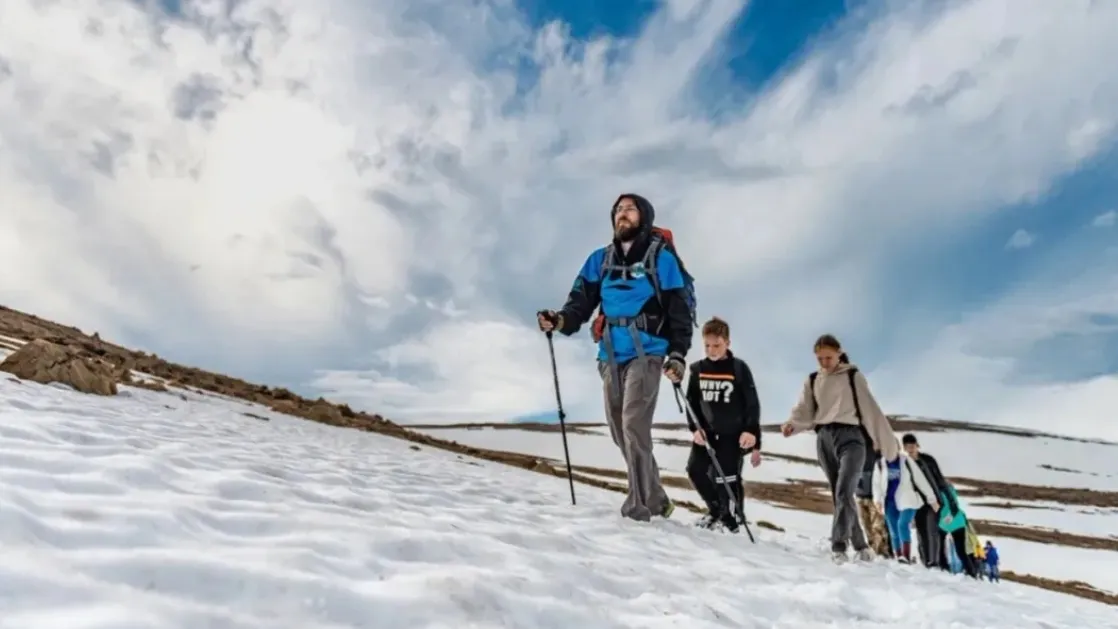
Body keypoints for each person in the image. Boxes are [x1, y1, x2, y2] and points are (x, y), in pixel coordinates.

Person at [537, 193, 693, 522]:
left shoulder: (661, 258)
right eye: (618, 210)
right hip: (609, 355)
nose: (622, 214)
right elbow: (580, 302)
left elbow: (679, 309)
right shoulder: (600, 260)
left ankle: (637, 510)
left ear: (644, 217)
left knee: (634, 425)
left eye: (630, 209)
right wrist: (560, 319)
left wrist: (677, 355)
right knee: (620, 431)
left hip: (647, 352)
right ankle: (657, 499)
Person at [781, 334, 899, 564]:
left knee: (845, 491)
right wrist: (792, 425)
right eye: (820, 358)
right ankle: (861, 545)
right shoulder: (813, 379)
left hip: (852, 439)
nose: (825, 362)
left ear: (839, 353)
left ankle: (838, 546)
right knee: (839, 495)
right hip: (824, 439)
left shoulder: (853, 376)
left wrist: (889, 446)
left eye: (829, 357)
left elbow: (871, 410)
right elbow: (804, 409)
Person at [683, 316, 762, 532]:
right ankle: (716, 511)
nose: (712, 350)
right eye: (707, 345)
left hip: (733, 435)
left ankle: (732, 520)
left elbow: (752, 404)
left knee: (726, 478)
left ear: (727, 343)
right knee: (695, 471)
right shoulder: (697, 370)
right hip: (706, 434)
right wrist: (695, 428)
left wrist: (751, 432)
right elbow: (691, 404)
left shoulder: (739, 368)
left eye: (716, 345)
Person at [871, 442, 940, 563]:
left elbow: (920, 480)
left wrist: (932, 499)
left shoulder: (906, 461)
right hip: (889, 501)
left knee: (902, 524)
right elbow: (876, 484)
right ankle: (899, 556)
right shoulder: (880, 464)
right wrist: (877, 500)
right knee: (893, 530)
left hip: (908, 500)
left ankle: (906, 556)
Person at [901, 434, 951, 569]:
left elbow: (939, 480)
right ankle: (925, 561)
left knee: (932, 530)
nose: (910, 449)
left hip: (932, 501)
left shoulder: (927, 460)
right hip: (915, 502)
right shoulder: (904, 464)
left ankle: (934, 562)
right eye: (907, 447)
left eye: (912, 446)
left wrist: (947, 501)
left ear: (917, 445)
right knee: (921, 532)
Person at [856, 446, 893, 558]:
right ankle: (873, 550)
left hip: (874, 497)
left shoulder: (880, 459)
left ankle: (882, 552)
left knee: (878, 526)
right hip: (860, 495)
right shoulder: (856, 453)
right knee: (866, 526)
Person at [938, 483, 980, 578]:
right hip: (959, 521)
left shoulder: (940, 492)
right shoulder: (951, 490)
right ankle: (971, 572)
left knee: (939, 545)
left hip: (947, 522)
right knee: (961, 550)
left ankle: (943, 566)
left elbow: (945, 508)